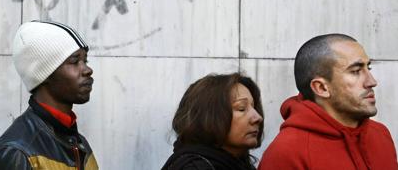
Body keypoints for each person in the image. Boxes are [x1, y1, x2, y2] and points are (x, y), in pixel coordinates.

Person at [259, 34, 398, 170]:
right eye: (356, 71)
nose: (372, 82)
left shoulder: (380, 134)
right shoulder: (286, 153)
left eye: (368, 68)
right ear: (321, 88)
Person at [0, 20, 99, 170]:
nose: (87, 70)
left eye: (85, 60)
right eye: (75, 61)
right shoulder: (17, 152)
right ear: (44, 73)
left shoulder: (78, 142)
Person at [161, 73, 264, 170]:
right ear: (209, 117)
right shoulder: (195, 167)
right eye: (241, 108)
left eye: (254, 107)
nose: (258, 117)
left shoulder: (238, 164)